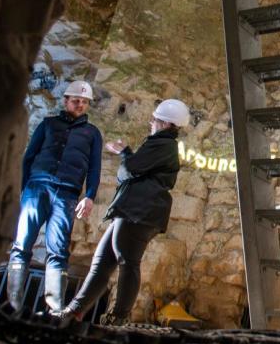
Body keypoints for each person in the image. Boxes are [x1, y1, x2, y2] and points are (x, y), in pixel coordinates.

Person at [55, 98, 188, 326]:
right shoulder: (162, 145)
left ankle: (118, 317)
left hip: (140, 211)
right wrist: (127, 155)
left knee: (127, 261)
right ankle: (74, 311)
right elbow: (134, 168)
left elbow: (129, 170)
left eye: (155, 119)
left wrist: (125, 153)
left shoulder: (162, 145)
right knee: (103, 261)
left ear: (166, 124)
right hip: (133, 210)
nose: (151, 122)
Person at [3, 80, 103, 315]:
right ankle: (13, 305)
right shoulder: (48, 125)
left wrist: (89, 196)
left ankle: (54, 308)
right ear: (66, 101)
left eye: (85, 102)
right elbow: (29, 157)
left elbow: (94, 168)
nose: (80, 105)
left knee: (58, 250)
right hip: (37, 187)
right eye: (76, 100)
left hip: (67, 194)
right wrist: (23, 188)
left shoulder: (92, 134)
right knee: (21, 244)